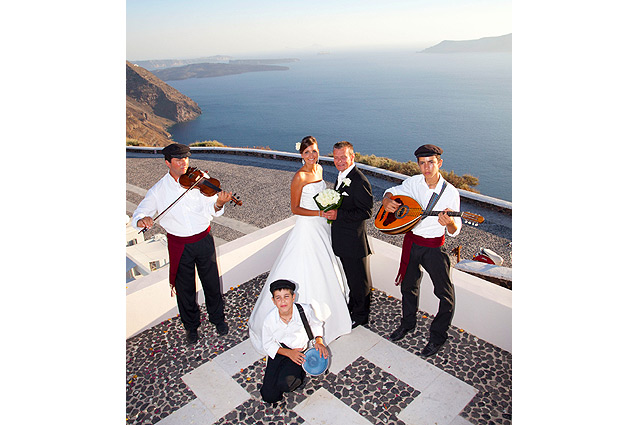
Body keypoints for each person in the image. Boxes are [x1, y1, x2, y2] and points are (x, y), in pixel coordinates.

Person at [248, 136, 351, 355]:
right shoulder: (300, 176)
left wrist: (327, 208)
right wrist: (319, 212)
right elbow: (295, 208)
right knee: (304, 265)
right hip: (307, 226)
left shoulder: (320, 169)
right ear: (301, 155)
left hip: (322, 226)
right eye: (307, 153)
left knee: (325, 265)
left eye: (314, 151)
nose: (312, 156)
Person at [131, 143, 233, 344]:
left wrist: (219, 203)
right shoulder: (158, 190)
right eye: (178, 160)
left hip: (203, 240)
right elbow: (140, 213)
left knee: (212, 283)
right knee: (185, 289)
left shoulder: (200, 180)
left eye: (186, 158)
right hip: (180, 245)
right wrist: (142, 220)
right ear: (167, 162)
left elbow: (211, 208)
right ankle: (191, 327)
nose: (183, 163)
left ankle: (218, 319)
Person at [382, 144, 462, 357]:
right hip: (412, 243)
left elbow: (455, 230)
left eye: (431, 163)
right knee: (408, 287)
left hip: (434, 247)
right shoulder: (414, 182)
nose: (427, 168)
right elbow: (393, 191)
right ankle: (407, 324)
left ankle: (437, 337)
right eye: (422, 163)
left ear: (440, 163)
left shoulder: (450, 193)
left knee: (445, 295)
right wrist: (387, 200)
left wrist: (449, 223)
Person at [324, 141, 374, 328]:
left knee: (360, 281)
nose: (339, 161)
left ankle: (361, 316)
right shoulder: (341, 176)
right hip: (343, 240)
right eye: (336, 157)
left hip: (354, 242)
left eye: (343, 157)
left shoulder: (359, 180)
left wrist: (339, 214)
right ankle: (353, 307)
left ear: (352, 157)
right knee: (352, 279)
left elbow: (366, 211)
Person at [260, 279, 329, 404]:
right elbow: (268, 343)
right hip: (280, 351)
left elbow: (316, 324)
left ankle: (301, 374)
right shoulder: (269, 319)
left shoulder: (304, 310)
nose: (283, 301)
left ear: (293, 297)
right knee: (269, 396)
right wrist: (288, 353)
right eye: (278, 298)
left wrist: (319, 341)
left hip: (299, 352)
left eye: (286, 297)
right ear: (273, 301)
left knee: (285, 385)